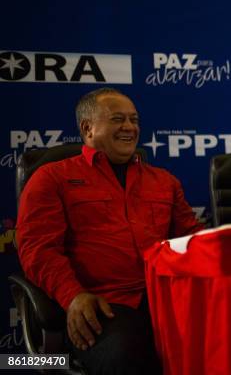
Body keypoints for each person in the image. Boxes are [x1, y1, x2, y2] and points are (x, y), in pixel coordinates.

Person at [16, 88, 203, 375]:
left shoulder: (164, 181)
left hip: (167, 302)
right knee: (127, 355)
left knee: (227, 337)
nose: (130, 127)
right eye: (118, 119)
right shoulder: (51, 178)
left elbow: (192, 240)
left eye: (134, 120)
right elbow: (38, 251)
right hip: (101, 306)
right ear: (87, 128)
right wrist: (73, 296)